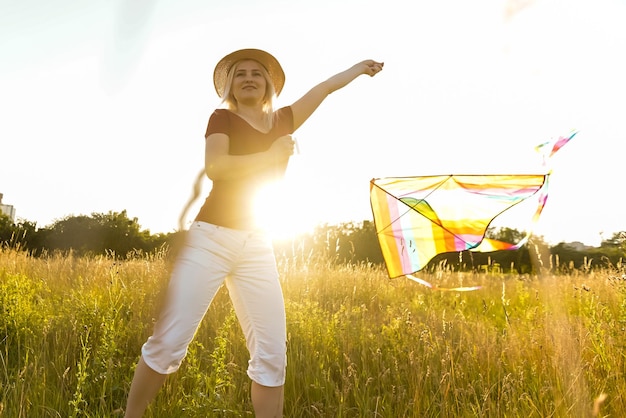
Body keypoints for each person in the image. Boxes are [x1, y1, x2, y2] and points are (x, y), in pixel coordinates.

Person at [123, 48, 383, 418]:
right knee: (168, 344)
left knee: (272, 354)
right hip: (209, 240)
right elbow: (216, 167)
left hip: (257, 245)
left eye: (256, 74)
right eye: (240, 73)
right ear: (230, 85)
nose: (248, 78)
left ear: (268, 85)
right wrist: (272, 154)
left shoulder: (284, 120)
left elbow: (324, 88)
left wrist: (359, 69)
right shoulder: (222, 119)